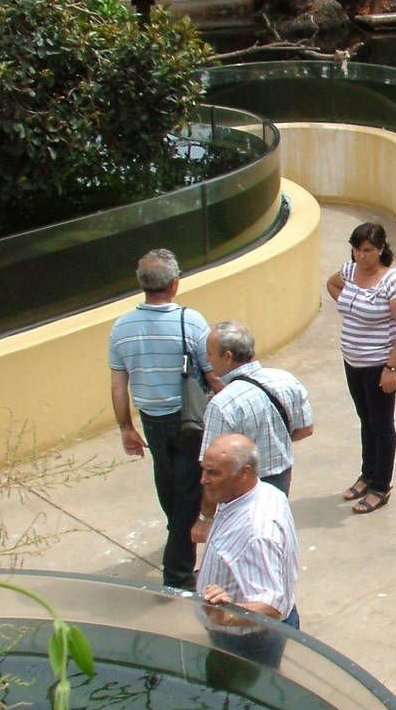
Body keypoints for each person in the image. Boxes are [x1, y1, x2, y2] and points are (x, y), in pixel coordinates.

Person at [109, 248, 218, 589]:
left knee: (168, 481)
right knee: (188, 491)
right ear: (174, 284)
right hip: (188, 419)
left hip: (151, 419)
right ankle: (178, 574)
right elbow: (212, 373)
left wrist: (126, 427)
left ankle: (177, 536)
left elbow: (118, 383)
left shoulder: (122, 327)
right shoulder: (191, 321)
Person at [192, 321, 313, 545]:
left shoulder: (222, 405)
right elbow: (306, 429)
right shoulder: (286, 379)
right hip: (280, 479)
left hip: (240, 488)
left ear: (227, 356)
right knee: (273, 537)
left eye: (210, 353)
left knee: (241, 545)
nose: (207, 359)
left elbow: (212, 469)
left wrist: (205, 518)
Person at [325, 222, 396, 514]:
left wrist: (391, 367)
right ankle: (368, 473)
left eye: (367, 250)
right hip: (353, 362)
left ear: (380, 249)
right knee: (366, 419)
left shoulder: (393, 282)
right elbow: (331, 284)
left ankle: (381, 486)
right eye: (356, 250)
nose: (360, 256)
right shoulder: (349, 271)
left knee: (382, 424)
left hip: (379, 366)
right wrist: (350, 305)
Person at [197, 433, 300, 644]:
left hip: (248, 641)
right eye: (204, 470)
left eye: (213, 473)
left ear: (244, 473)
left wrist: (226, 616)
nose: (203, 479)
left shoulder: (255, 533)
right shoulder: (266, 492)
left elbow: (272, 607)